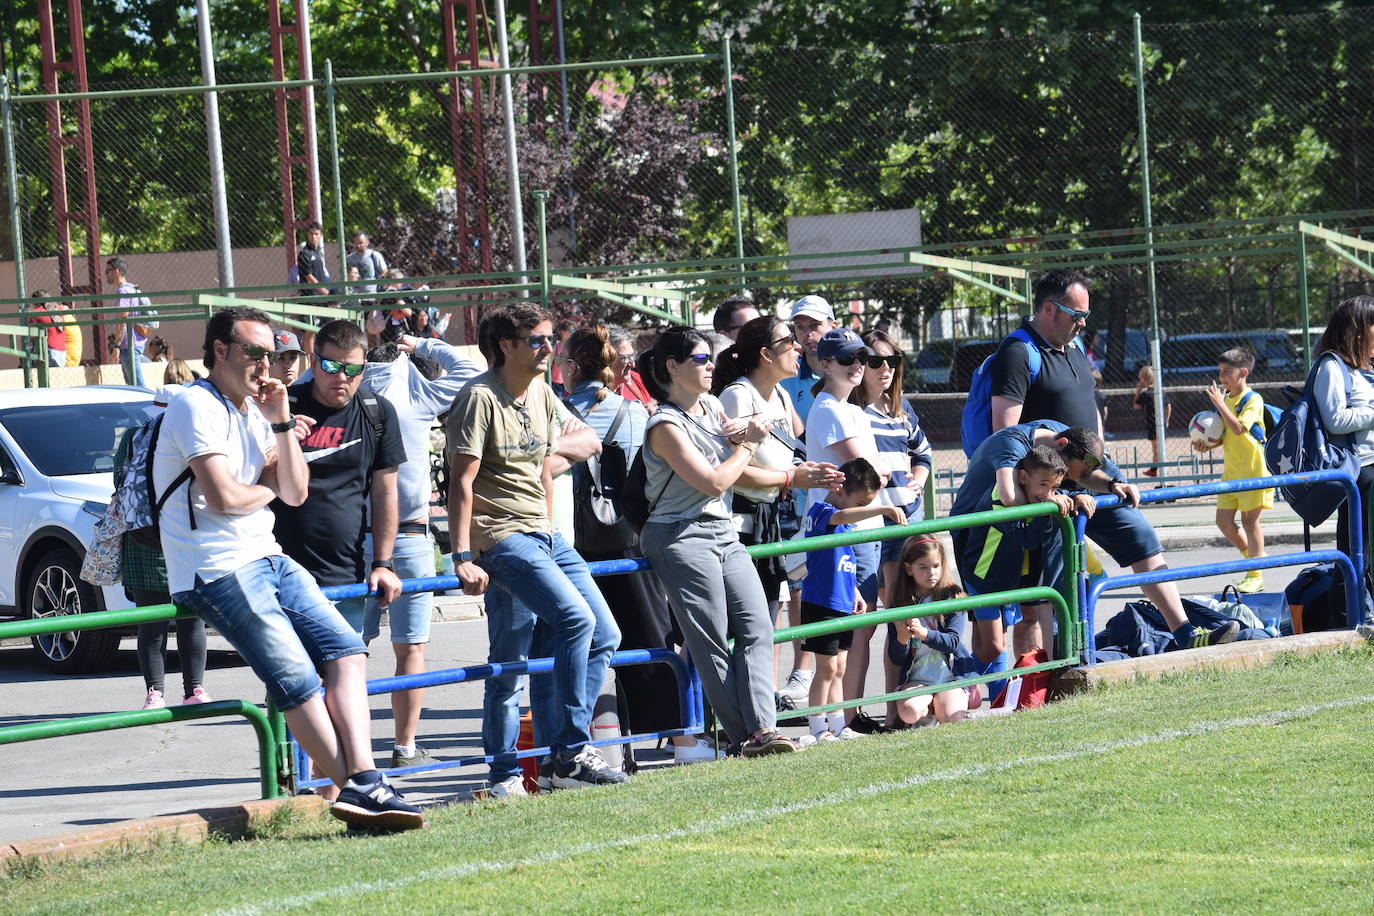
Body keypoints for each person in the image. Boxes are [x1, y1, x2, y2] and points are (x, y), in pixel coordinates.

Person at [153, 305, 423, 830]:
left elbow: (295, 492)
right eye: (254, 352)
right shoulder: (194, 405)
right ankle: (361, 790)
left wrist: (279, 423)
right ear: (220, 352)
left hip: (270, 555)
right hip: (216, 568)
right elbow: (226, 498)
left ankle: (364, 780)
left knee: (347, 652)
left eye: (271, 354)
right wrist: (269, 484)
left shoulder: (259, 410)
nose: (265, 364)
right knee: (297, 678)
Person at [447, 302, 626, 797]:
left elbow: (558, 455)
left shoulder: (543, 392)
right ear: (506, 346)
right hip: (498, 537)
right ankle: (556, 755)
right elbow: (459, 483)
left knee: (604, 634)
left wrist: (548, 526)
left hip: (542, 536)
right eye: (537, 341)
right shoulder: (479, 398)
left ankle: (553, 760)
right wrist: (461, 555)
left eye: (551, 340)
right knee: (562, 628)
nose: (549, 348)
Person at [990, 269, 1213, 654]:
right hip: (1048, 482)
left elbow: (1089, 409)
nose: (1083, 323)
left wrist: (1108, 471)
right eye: (1076, 314)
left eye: (1086, 316)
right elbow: (1005, 434)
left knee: (1142, 540)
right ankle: (1048, 674)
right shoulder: (1017, 352)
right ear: (1048, 308)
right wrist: (1037, 491)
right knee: (1044, 592)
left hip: (1091, 468)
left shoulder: (1074, 347)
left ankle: (1185, 632)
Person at [954, 421, 1238, 668]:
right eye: (1069, 478)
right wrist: (1057, 497)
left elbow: (1088, 475)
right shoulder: (1012, 445)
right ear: (1060, 448)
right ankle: (970, 678)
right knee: (992, 632)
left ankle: (1006, 683)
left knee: (1010, 622)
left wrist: (1114, 483)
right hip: (978, 539)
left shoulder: (1063, 451)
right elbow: (1008, 496)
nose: (1075, 483)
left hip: (1021, 535)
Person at [636, 325, 798, 756]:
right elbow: (713, 481)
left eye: (711, 357)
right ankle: (745, 736)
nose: (711, 366)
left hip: (723, 532)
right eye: (701, 359)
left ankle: (765, 729)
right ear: (672, 367)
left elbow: (734, 469)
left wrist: (786, 474)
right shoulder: (664, 425)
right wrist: (748, 444)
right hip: (679, 536)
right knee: (710, 642)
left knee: (759, 628)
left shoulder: (709, 405)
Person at [713, 316, 845, 717]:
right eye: (788, 340)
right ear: (765, 354)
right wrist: (792, 478)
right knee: (743, 625)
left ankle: (760, 710)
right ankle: (723, 717)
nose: (797, 346)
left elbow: (798, 451)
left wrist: (812, 474)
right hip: (742, 525)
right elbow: (727, 472)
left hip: (777, 519)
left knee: (766, 620)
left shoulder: (782, 396)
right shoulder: (738, 396)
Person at [362, 333, 482, 768]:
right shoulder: (414, 393)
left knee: (342, 652)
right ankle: (404, 748)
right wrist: (425, 344)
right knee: (410, 648)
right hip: (408, 534)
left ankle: (343, 755)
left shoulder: (345, 392)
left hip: (350, 536)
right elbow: (470, 371)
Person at [271, 319, 405, 642]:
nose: (341, 377)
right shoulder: (283, 406)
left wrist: (383, 563)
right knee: (293, 685)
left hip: (345, 575)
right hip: (280, 573)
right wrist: (280, 432)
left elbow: (385, 493)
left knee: (343, 675)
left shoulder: (378, 413)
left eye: (352, 369)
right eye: (331, 366)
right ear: (314, 363)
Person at [803, 328, 884, 728]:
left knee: (851, 638)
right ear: (824, 365)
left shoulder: (854, 409)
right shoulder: (827, 408)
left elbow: (881, 473)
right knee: (831, 654)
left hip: (854, 529)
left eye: (862, 359)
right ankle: (828, 722)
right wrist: (887, 481)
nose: (858, 366)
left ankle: (842, 720)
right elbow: (869, 472)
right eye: (847, 359)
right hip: (834, 531)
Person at [851, 327, 932, 730]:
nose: (885, 369)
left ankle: (895, 711)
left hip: (906, 524)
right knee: (867, 622)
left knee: (903, 619)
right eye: (875, 361)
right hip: (868, 526)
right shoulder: (851, 411)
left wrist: (917, 477)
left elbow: (923, 453)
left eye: (892, 361)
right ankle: (850, 715)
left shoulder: (901, 409)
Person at [799, 458, 904, 743]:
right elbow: (841, 518)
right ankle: (817, 727)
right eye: (859, 503)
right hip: (820, 603)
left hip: (843, 600)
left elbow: (841, 559)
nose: (860, 509)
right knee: (826, 668)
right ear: (840, 489)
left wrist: (855, 592)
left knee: (840, 667)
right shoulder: (822, 511)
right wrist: (882, 508)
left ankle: (838, 723)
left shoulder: (843, 522)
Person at [122, 386, 210, 710]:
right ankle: (195, 690)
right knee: (192, 618)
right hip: (186, 534)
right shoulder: (193, 434)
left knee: (151, 624)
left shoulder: (134, 436)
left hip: (143, 538)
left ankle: (154, 693)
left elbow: (121, 483)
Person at [1312, 296, 1374, 619]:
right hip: (1357, 470)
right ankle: (1347, 620)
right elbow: (1335, 419)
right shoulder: (1330, 366)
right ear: (1359, 330)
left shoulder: (1362, 368)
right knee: (1355, 550)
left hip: (1369, 467)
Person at [1196, 347, 1273, 593]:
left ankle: (1255, 574)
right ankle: (1256, 557)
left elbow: (1240, 428)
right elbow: (1227, 434)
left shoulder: (1253, 399)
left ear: (1242, 372)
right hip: (1232, 471)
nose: (1222, 377)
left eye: (1226, 372)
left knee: (1250, 522)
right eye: (1220, 371)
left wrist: (1220, 403)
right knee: (1223, 522)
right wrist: (1207, 444)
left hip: (1253, 469)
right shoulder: (1227, 399)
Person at [887, 535, 976, 726]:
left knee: (952, 716)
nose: (931, 573)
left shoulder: (953, 595)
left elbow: (952, 642)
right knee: (909, 712)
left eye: (936, 566)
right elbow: (896, 658)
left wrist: (924, 633)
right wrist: (902, 640)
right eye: (923, 567)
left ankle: (941, 706)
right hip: (917, 678)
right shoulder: (900, 601)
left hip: (951, 677)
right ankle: (927, 711)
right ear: (908, 568)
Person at [107, 257, 158, 387]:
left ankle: (145, 404)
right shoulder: (131, 288)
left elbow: (122, 321)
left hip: (129, 344)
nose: (106, 274)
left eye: (108, 271)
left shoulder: (123, 291)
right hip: (135, 342)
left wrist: (116, 346)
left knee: (137, 385)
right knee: (133, 384)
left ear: (116, 272)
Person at [1133, 365, 1171, 477]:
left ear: (1144, 380)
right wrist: (1167, 419)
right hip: (1161, 423)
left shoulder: (1145, 394)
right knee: (1160, 448)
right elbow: (1168, 405)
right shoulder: (1160, 392)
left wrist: (1138, 391)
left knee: (1156, 450)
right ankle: (1158, 469)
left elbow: (1136, 405)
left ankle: (1155, 470)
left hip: (1152, 424)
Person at [610, 326, 653, 406]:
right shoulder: (592, 393)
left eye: (632, 355)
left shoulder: (636, 379)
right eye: (626, 357)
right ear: (607, 359)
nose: (633, 365)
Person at [346, 231, 388, 303]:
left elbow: (384, 272)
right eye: (355, 243)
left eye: (360, 243)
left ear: (367, 242)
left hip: (372, 297)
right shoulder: (349, 259)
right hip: (355, 297)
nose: (358, 245)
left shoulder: (374, 255)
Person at [28, 293, 67, 368]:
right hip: (63, 353)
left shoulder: (36, 313)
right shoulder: (58, 309)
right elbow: (65, 307)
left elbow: (31, 335)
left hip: (49, 352)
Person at [296, 222, 332, 300]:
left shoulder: (318, 252)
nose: (313, 236)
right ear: (307, 235)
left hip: (320, 296)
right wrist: (325, 292)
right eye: (311, 234)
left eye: (316, 234)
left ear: (321, 235)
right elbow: (309, 277)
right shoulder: (304, 253)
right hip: (310, 297)